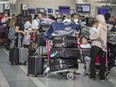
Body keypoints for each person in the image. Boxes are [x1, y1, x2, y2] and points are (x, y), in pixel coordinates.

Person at [89, 15, 107, 81]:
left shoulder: (99, 25)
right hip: (103, 46)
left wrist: (91, 37)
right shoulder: (105, 25)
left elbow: (96, 35)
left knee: (92, 61)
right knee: (102, 62)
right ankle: (102, 76)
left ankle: (92, 75)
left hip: (95, 45)